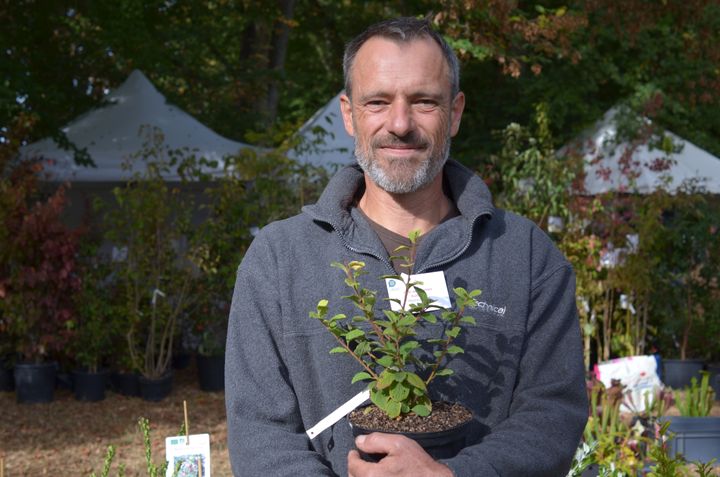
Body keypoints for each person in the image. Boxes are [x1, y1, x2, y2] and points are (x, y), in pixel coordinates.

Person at [225, 16, 588, 477]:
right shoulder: (279, 259)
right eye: (377, 101)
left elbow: (552, 414)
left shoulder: (526, 256)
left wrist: (453, 475)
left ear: (454, 113)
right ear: (349, 113)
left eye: (424, 102)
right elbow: (261, 435)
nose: (400, 124)